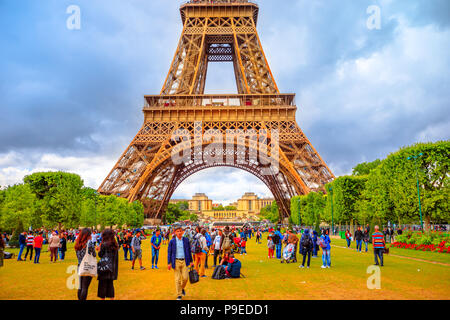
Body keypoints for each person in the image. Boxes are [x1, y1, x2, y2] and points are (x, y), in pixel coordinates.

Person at [167, 224, 194, 301]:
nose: (179, 233)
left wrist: (191, 261)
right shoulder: (172, 241)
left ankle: (182, 288)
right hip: (176, 261)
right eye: (177, 231)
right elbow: (169, 252)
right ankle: (179, 295)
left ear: (182, 232)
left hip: (185, 261)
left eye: (180, 231)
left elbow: (189, 250)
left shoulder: (186, 240)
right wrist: (169, 263)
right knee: (177, 279)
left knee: (185, 278)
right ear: (175, 232)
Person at [97, 229, 119, 300]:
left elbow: (100, 255)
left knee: (102, 287)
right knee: (110, 286)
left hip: (104, 268)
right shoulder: (115, 244)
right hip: (112, 269)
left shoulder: (104, 244)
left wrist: (99, 249)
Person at [75, 228, 96, 300]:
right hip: (87, 266)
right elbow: (94, 254)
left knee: (80, 287)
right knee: (85, 287)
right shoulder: (89, 243)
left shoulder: (77, 243)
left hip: (79, 265)